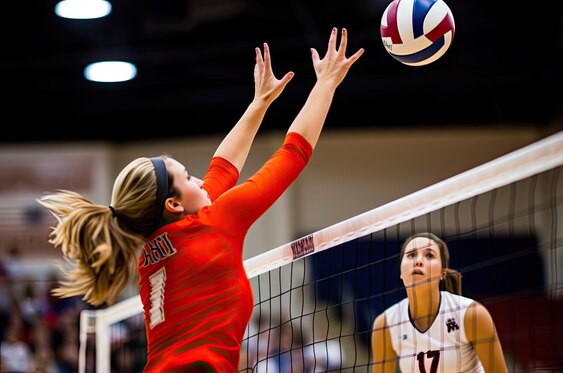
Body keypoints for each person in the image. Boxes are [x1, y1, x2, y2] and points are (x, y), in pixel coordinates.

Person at [37, 27, 364, 372]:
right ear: (173, 205)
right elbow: (293, 152)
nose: (200, 178)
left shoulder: (154, 250)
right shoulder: (215, 224)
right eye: (188, 176)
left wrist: (260, 103)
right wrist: (327, 82)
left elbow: (221, 170)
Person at [370, 233, 508, 373]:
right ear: (401, 271)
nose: (418, 261)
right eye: (411, 255)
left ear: (442, 273)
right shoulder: (385, 325)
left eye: (429, 255)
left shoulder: (472, 314)